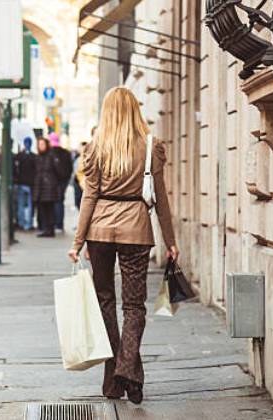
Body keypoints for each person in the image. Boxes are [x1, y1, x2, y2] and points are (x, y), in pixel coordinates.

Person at [68, 86, 179, 404]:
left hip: (99, 230)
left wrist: (78, 242)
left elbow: (89, 197)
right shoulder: (150, 147)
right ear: (135, 111)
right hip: (135, 229)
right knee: (133, 307)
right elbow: (161, 200)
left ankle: (116, 379)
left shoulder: (96, 148)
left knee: (105, 302)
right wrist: (171, 241)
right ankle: (127, 370)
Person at [33, 137, 60, 237]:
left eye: (42, 144)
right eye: (39, 145)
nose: (41, 146)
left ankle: (50, 229)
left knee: (49, 209)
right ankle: (46, 229)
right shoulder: (38, 157)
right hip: (41, 187)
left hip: (49, 186)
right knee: (43, 209)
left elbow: (58, 171)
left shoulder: (51, 156)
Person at [49, 132, 73, 231]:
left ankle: (57, 224)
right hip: (64, 181)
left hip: (54, 181)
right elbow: (70, 168)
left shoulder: (50, 152)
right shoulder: (66, 152)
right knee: (60, 201)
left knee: (55, 201)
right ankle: (59, 224)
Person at [15, 137, 36, 230]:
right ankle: (28, 223)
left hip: (22, 182)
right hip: (30, 183)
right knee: (29, 204)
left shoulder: (19, 156)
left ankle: (22, 222)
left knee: (21, 204)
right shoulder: (34, 157)